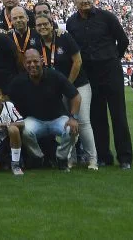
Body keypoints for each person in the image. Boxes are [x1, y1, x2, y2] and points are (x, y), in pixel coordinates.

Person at [65, 0, 133, 169]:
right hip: (90, 74)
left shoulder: (107, 17)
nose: (85, 0)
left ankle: (125, 158)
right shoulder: (71, 22)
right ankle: (104, 156)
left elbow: (123, 40)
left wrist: (113, 58)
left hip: (111, 71)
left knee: (118, 115)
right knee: (97, 117)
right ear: (74, 1)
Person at [34, 12, 97, 170]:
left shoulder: (64, 37)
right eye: (39, 25)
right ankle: (70, 158)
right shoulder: (36, 43)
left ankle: (93, 159)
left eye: (45, 24)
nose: (42, 27)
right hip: (57, 91)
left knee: (82, 121)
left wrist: (67, 85)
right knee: (65, 124)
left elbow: (78, 61)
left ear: (52, 24)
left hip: (78, 85)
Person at [7, 49, 81, 172]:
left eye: (35, 61)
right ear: (24, 64)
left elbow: (76, 96)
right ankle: (37, 157)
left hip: (57, 118)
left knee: (71, 129)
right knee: (24, 130)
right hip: (35, 120)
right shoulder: (19, 81)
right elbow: (8, 99)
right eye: (29, 62)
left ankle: (61, 158)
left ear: (42, 61)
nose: (32, 65)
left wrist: (73, 118)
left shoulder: (54, 75)